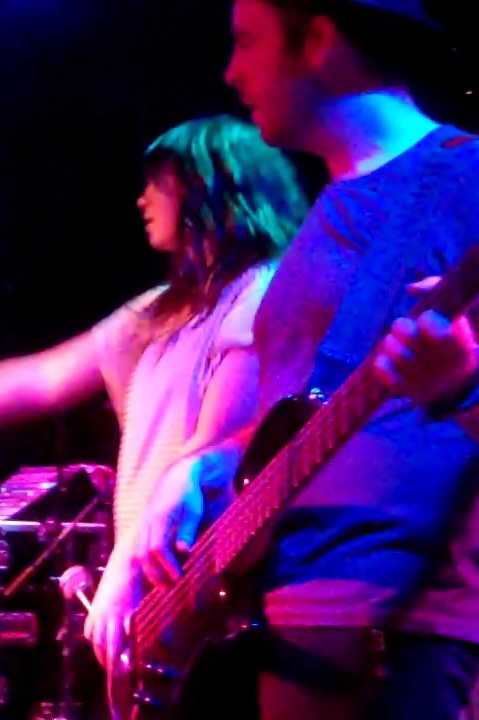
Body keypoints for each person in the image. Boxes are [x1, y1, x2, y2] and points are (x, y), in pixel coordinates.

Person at [0, 116, 310, 709]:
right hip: (157, 593)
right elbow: (49, 374)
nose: (141, 199)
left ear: (204, 188)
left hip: (203, 597)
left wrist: (124, 571)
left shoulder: (259, 294)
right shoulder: (165, 310)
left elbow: (212, 451)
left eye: (156, 183)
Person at [121, 1, 479, 718]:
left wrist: (464, 387)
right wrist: (204, 465)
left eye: (247, 42)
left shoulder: (466, 177)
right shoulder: (327, 213)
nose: (230, 72)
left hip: (396, 635)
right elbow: (293, 416)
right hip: (283, 622)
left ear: (317, 39)